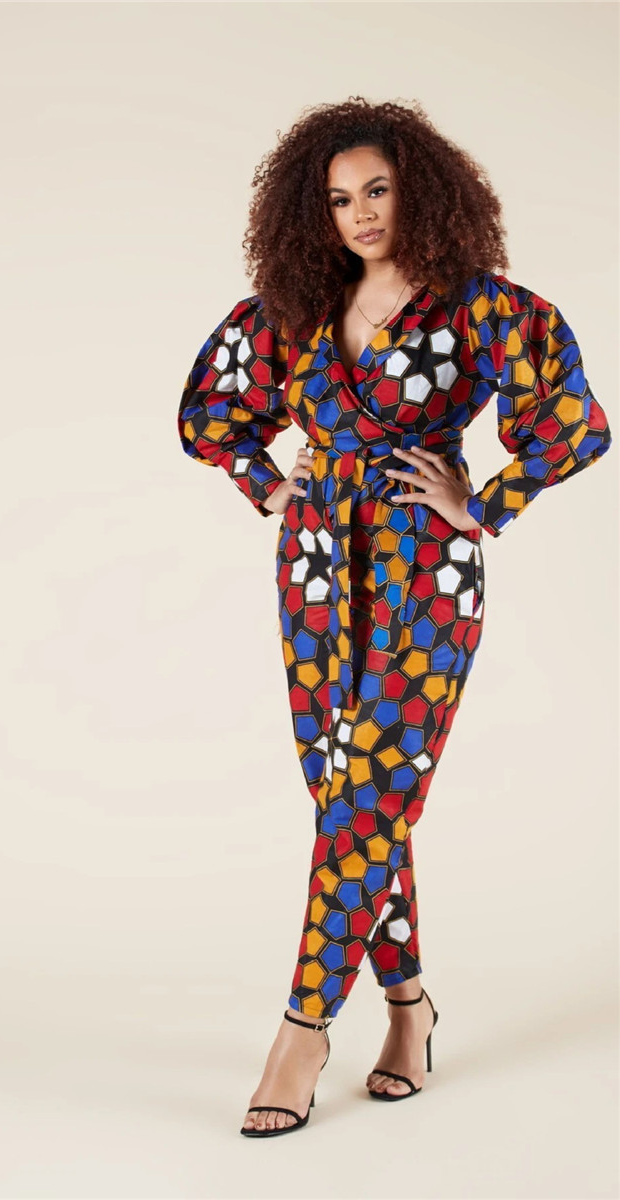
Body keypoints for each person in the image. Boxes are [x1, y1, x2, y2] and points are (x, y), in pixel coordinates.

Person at [176, 98, 612, 1138]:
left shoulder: (482, 308)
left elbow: (573, 420)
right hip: (315, 564)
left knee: (371, 789)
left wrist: (484, 503)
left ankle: (302, 1029)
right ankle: (409, 1008)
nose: (361, 213)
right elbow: (210, 412)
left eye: (377, 190)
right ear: (311, 213)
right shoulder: (293, 309)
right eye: (338, 200)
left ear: (422, 190)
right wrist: (270, 484)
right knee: (345, 795)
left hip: (426, 566)